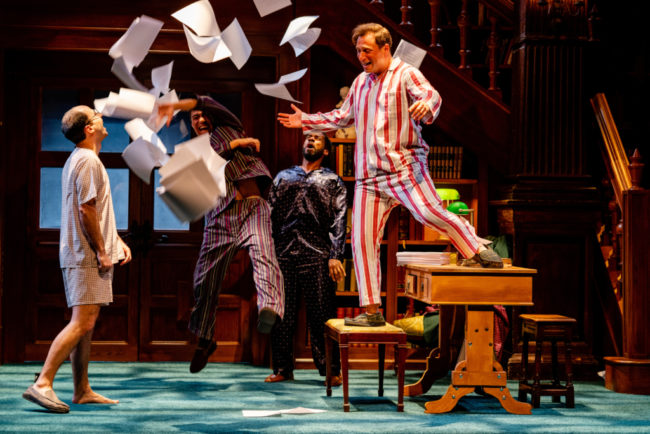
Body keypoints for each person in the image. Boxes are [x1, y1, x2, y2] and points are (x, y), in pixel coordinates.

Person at [278, 23, 502, 328]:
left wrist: (426, 105)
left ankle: (478, 247)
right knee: (361, 240)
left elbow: (431, 95)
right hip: (369, 179)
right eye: (358, 51)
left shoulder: (405, 73)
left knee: (429, 212)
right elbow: (342, 117)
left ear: (385, 48)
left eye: (366, 50)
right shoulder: (360, 83)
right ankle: (372, 311)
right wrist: (306, 120)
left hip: (404, 168)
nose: (361, 56)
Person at [158, 96, 284, 373]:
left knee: (264, 253)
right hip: (219, 215)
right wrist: (236, 145)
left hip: (252, 206)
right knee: (204, 280)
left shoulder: (229, 125)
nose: (200, 120)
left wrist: (176, 106)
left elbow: (203, 101)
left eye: (204, 116)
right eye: (195, 118)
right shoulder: (193, 150)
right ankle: (205, 338)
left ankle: (270, 308)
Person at [22, 105, 132, 413]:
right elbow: (86, 210)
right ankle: (42, 382)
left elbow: (94, 210)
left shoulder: (85, 159)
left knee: (87, 323)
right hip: (85, 255)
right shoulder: (86, 159)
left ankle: (81, 389)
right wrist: (101, 251)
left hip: (85, 252)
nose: (100, 116)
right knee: (82, 321)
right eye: (95, 115)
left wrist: (116, 241)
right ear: (89, 128)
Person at [265, 133, 346, 386]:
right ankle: (282, 368)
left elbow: (339, 220)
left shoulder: (333, 181)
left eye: (317, 139)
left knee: (322, 315)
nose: (310, 140)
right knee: (282, 315)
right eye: (308, 137)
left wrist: (335, 255)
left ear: (326, 151)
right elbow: (268, 214)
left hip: (319, 254)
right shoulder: (283, 176)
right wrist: (266, 252)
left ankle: (330, 371)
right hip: (283, 253)